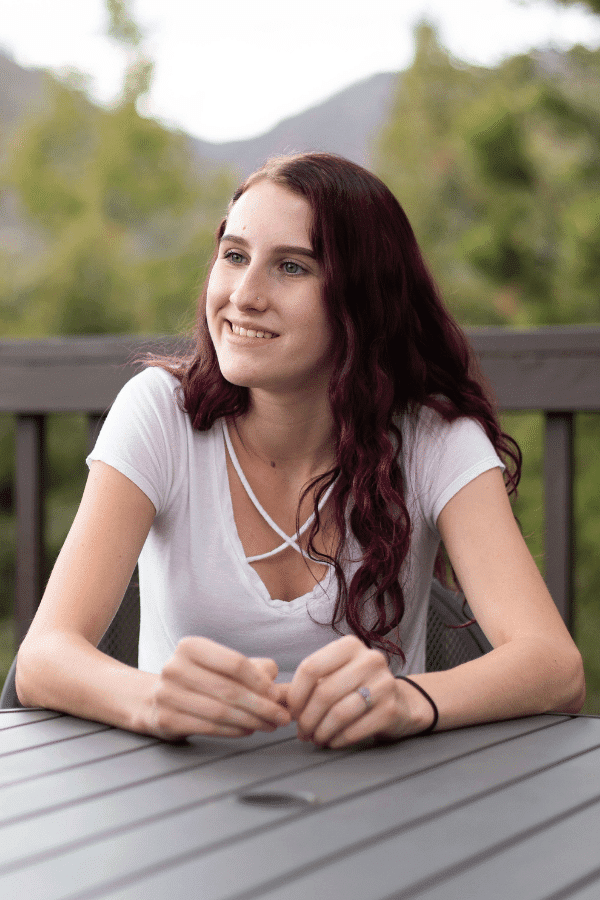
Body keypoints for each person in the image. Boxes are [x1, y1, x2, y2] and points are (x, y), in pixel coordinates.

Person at [16, 153, 585, 746]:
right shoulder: (161, 414)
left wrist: (409, 700)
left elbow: (554, 665)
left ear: (362, 299)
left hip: (379, 803)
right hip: (176, 802)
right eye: (234, 256)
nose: (245, 294)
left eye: (291, 267)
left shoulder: (432, 439)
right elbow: (43, 658)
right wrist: (153, 698)